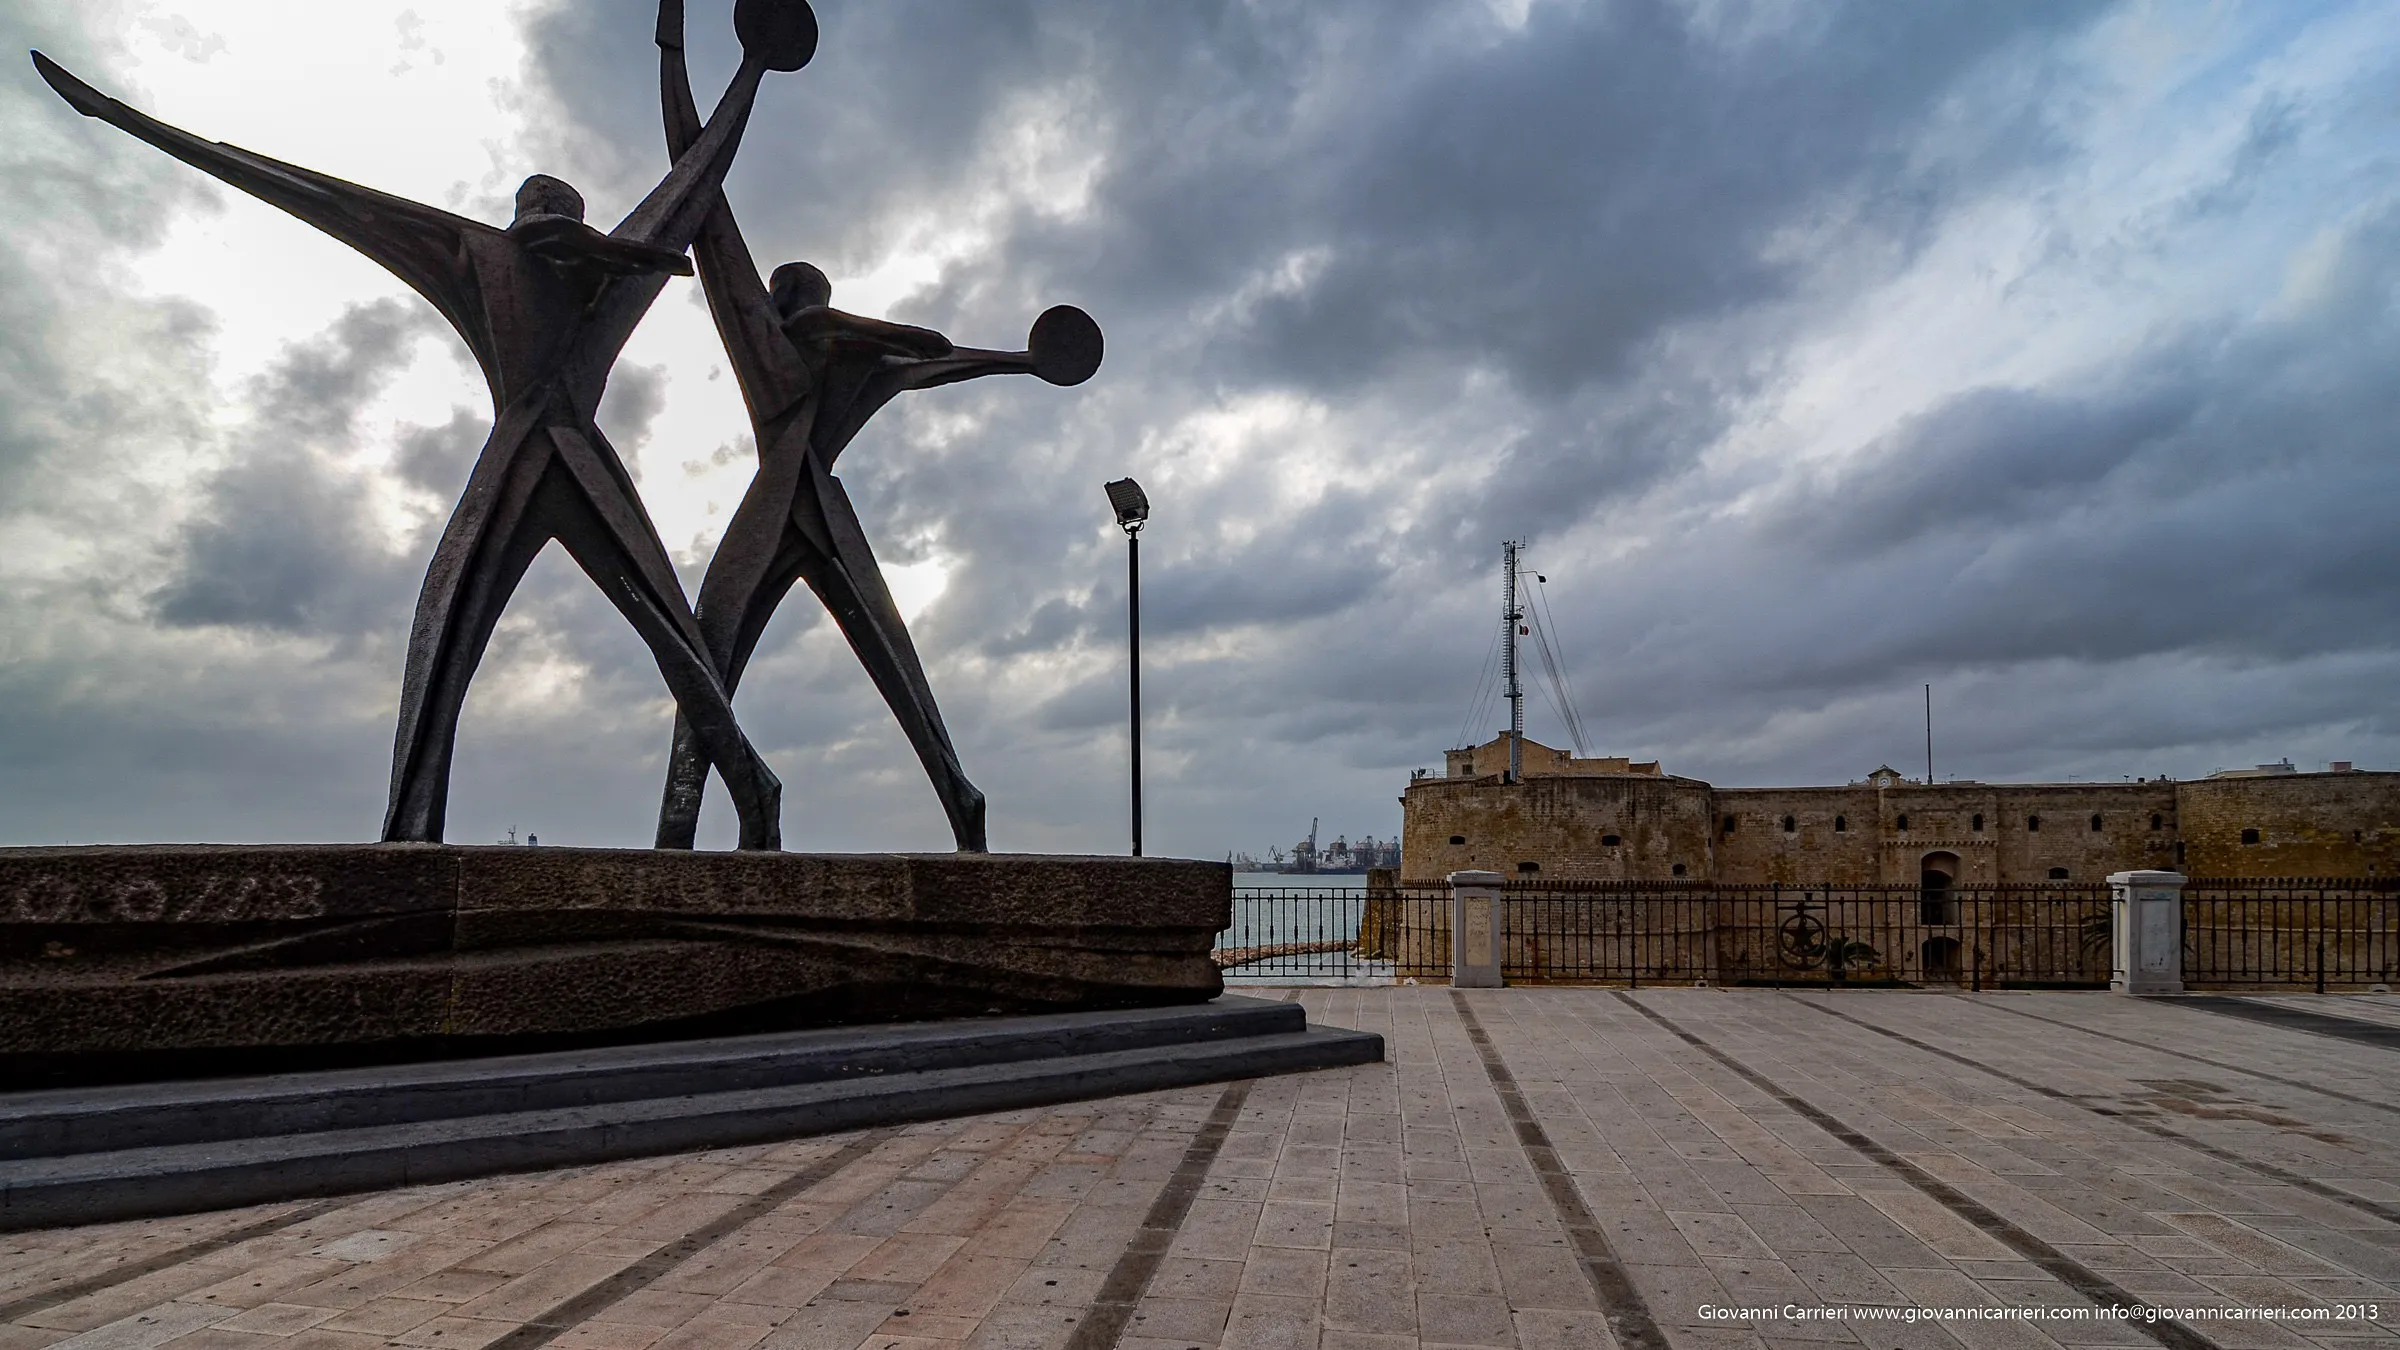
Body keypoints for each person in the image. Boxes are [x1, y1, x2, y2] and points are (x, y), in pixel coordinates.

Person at [30, 0, 821, 849]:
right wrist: (134, 122)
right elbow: (323, 197)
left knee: (669, 642)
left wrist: (731, 65)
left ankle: (750, 788)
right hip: (527, 460)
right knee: (446, 643)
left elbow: (696, 176)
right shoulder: (484, 255)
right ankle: (412, 832)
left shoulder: (597, 268)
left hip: (568, 462)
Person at [653, 1, 1102, 851]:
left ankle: (692, 827)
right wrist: (1013, 359)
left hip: (790, 503)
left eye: (780, 291)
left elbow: (700, 192)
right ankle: (948, 802)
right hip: (812, 507)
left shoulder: (789, 343)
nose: (770, 300)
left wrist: (1020, 360)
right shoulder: (854, 352)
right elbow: (942, 355)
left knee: (716, 661)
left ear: (783, 296)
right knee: (737, 665)